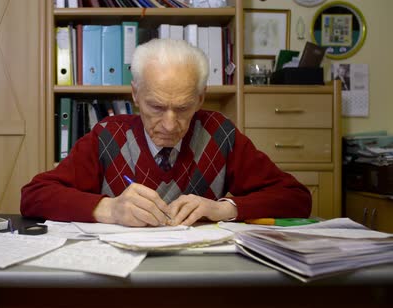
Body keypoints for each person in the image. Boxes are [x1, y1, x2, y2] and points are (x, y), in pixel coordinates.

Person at [21, 39, 311, 227]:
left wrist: (224, 209)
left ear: (200, 98)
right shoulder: (106, 137)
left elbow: (297, 199)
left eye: (183, 108)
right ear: (135, 94)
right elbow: (33, 197)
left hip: (199, 280)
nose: (170, 125)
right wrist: (110, 209)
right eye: (156, 107)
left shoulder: (220, 134)